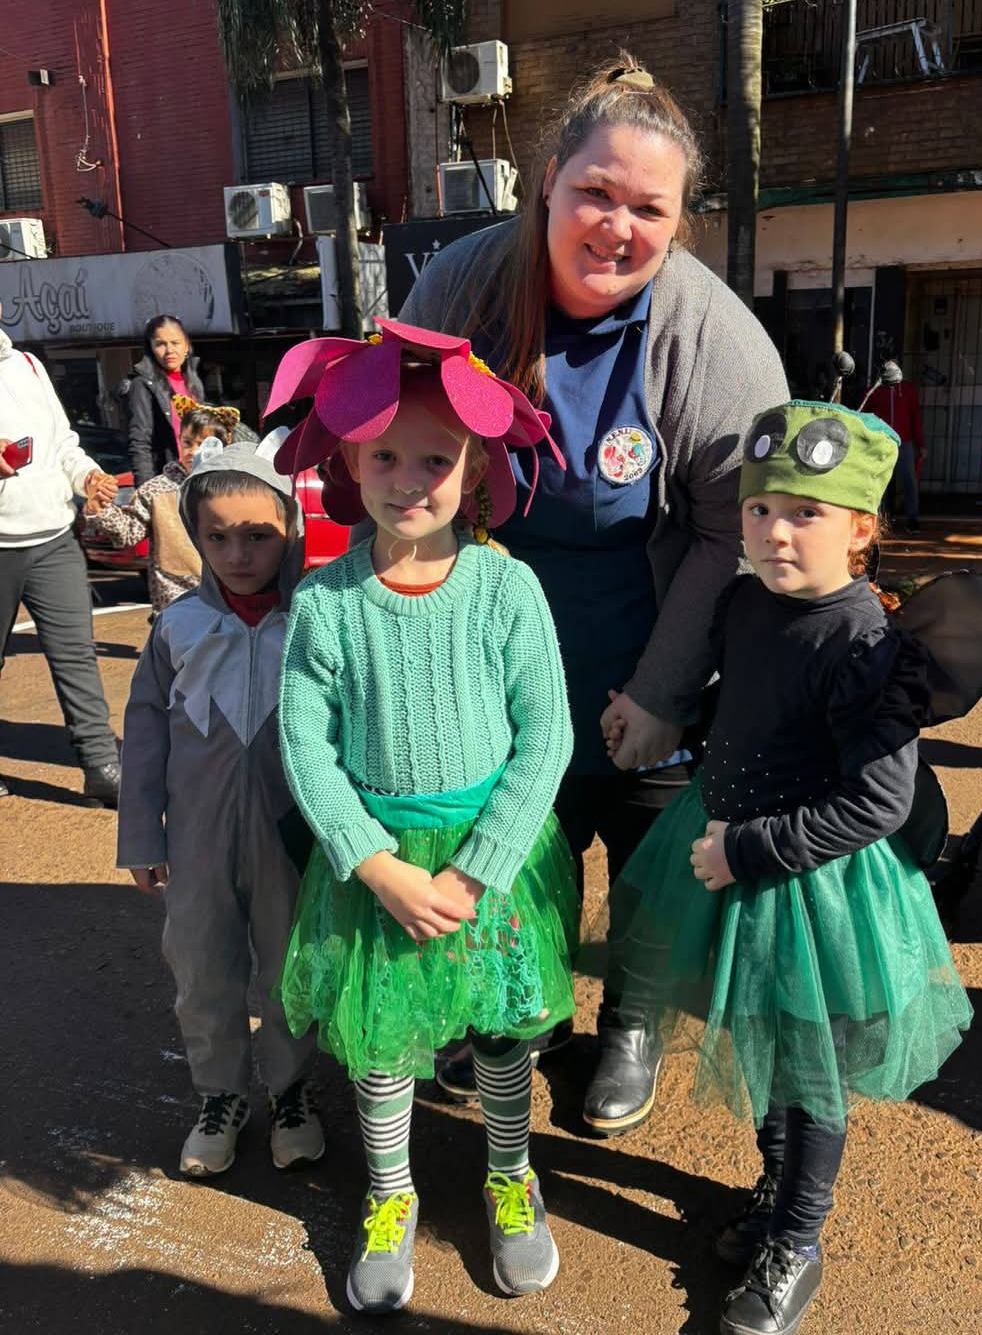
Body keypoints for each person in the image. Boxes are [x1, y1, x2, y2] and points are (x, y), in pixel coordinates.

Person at [399, 52, 788, 1133]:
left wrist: (664, 686)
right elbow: (410, 467)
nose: (618, 226)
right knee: (514, 843)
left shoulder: (716, 340)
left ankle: (631, 1017)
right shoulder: (462, 287)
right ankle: (522, 1012)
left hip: (650, 621)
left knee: (652, 843)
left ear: (679, 222)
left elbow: (734, 533)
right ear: (548, 188)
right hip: (495, 629)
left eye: (649, 208)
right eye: (596, 194)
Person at [604, 402, 973, 1335]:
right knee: (767, 1045)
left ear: (861, 529)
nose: (774, 531)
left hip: (813, 885)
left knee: (811, 1073)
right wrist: (670, 720)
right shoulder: (744, 604)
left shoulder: (868, 645)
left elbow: (877, 804)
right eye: (762, 509)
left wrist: (745, 849)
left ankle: (797, 1243)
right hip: (735, 857)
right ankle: (775, 1193)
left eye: (805, 513)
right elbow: (742, 703)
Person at [267, 320, 576, 1313]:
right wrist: (375, 865)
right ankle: (390, 1193)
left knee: (498, 1034)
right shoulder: (327, 602)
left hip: (491, 862)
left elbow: (548, 739)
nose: (409, 479)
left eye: (436, 458)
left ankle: (508, 1176)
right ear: (352, 459)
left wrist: (473, 869)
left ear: (475, 464)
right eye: (387, 456)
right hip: (380, 869)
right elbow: (306, 748)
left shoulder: (506, 589)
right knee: (384, 1037)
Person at [116, 446, 325, 1178]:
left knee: (289, 967)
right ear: (196, 536)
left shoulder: (314, 623)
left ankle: (291, 1091)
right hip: (199, 840)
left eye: (259, 535)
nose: (238, 553)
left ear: (291, 533)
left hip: (291, 838)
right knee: (202, 966)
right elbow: (143, 737)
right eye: (218, 536)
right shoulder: (177, 628)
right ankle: (222, 1095)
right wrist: (143, 834)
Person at [0, 317, 122, 804]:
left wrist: (88, 477)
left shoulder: (27, 365)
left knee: (76, 656)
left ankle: (101, 766)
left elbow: (63, 444)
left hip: (53, 538)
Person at [85, 398, 240, 613]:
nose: (192, 452)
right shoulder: (157, 490)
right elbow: (128, 532)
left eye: (202, 444)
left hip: (228, 595)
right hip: (174, 598)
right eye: (187, 442)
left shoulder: (237, 488)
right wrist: (100, 509)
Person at [119, 315, 205, 485]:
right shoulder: (142, 384)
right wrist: (147, 491)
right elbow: (140, 442)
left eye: (175, 343)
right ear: (151, 348)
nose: (169, 350)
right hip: (167, 479)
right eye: (160, 344)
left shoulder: (193, 381)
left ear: (186, 345)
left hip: (198, 475)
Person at [863, 360, 925, 532]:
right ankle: (882, 518)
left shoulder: (908, 389)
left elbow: (915, 418)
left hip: (904, 442)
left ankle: (912, 518)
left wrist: (921, 444)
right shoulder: (874, 390)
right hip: (881, 440)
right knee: (882, 481)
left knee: (909, 481)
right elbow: (864, 416)